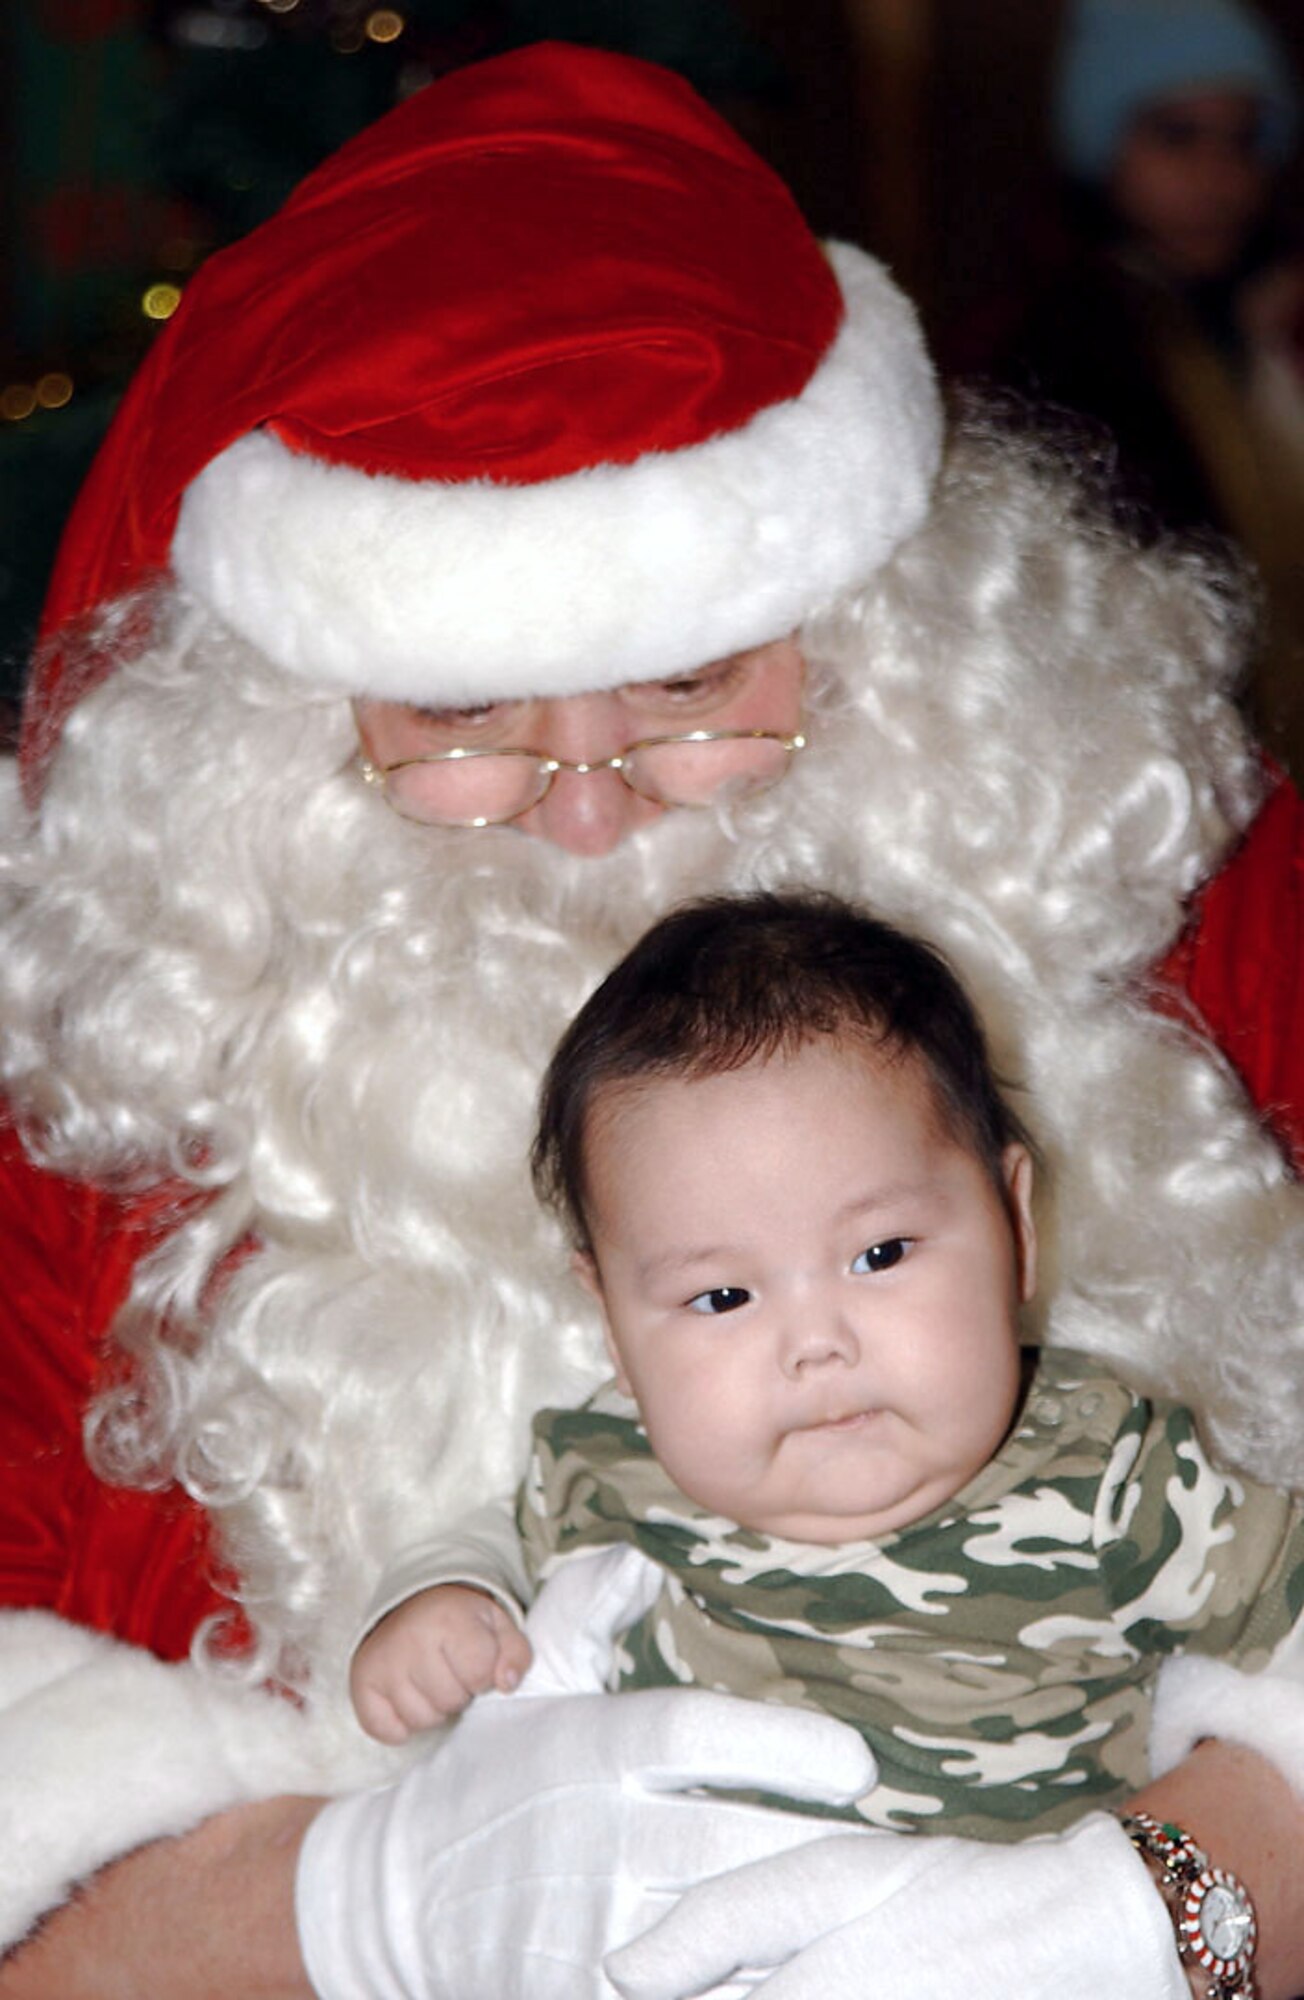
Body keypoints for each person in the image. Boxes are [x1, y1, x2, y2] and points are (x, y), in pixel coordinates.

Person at [1, 36, 1304, 2000]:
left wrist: (1168, 1913)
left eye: (694, 672)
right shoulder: (104, 1099)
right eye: (458, 707)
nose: (594, 803)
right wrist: (353, 1916)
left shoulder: (1200, 915)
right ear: (285, 725)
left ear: (885, 627)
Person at [351, 892, 1302, 1886]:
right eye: (721, 1294)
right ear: (612, 1325)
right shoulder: (613, 1460)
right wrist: (442, 1598)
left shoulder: (1110, 1472)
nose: (813, 1342)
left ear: (1013, 1227)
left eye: (878, 1252)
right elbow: (503, 1533)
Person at [984, 0, 1304, 778]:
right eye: (1176, 134)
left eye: (1244, 139)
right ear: (1105, 143)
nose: (1217, 174)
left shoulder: (1258, 315)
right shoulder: (1056, 341)